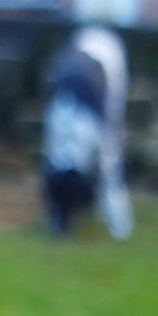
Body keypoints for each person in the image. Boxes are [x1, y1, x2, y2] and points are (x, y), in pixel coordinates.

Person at [41, 25, 134, 240]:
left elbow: (111, 122)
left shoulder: (109, 57)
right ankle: (115, 225)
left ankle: (119, 224)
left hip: (90, 103)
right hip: (74, 101)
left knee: (109, 154)